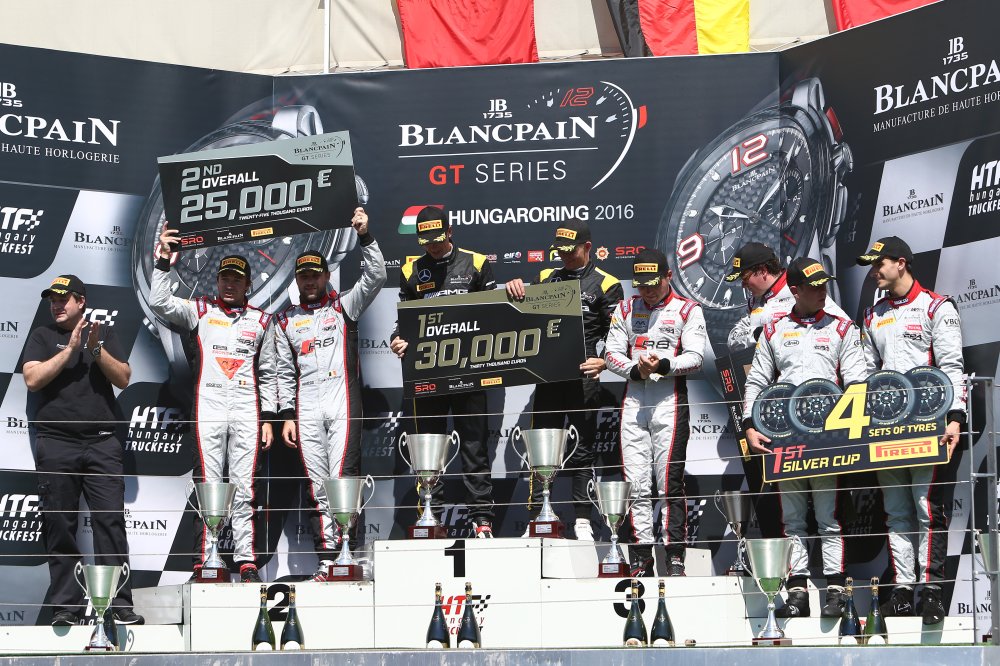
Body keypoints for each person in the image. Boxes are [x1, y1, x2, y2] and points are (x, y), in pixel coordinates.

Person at [152, 225, 278, 583]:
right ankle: (208, 560)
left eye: (236, 279)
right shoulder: (200, 310)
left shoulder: (262, 320)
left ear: (248, 284)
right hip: (208, 405)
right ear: (217, 281)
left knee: (244, 486)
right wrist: (162, 261)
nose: (229, 284)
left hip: (247, 410)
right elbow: (160, 302)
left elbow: (269, 372)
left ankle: (246, 560)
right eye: (224, 278)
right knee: (208, 484)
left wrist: (269, 417)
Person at [741, 258, 865, 618]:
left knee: (829, 516)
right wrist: (749, 425)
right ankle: (797, 591)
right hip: (785, 438)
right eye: (814, 286)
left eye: (824, 284)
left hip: (829, 438)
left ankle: (836, 591)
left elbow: (857, 383)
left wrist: (847, 431)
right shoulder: (774, 330)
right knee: (792, 519)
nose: (822, 291)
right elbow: (756, 381)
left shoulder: (842, 328)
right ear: (795, 290)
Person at [272, 208, 386, 580]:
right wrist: (286, 414)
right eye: (303, 275)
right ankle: (327, 558)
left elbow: (377, 276)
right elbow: (282, 372)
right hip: (306, 408)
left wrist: (365, 237)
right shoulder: (285, 320)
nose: (309, 281)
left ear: (326, 276)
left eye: (315, 275)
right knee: (316, 483)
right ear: (297, 279)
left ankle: (349, 555)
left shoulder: (344, 307)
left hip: (342, 404)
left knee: (342, 479)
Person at [857, 236, 966, 625]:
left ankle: (932, 591)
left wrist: (956, 417)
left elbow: (952, 365)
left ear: (900, 263)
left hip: (929, 425)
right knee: (896, 511)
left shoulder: (937, 306)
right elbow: (865, 373)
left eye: (879, 264)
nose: (874, 271)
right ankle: (902, 591)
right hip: (886, 427)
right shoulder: (872, 314)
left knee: (926, 508)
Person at [22, 275, 143, 626]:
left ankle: (119, 604)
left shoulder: (102, 333)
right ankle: (67, 608)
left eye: (63, 299)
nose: (57, 305)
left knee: (110, 522)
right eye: (53, 300)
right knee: (59, 524)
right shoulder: (42, 336)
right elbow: (32, 379)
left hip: (102, 442)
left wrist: (94, 350)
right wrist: (70, 350)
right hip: (56, 443)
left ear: (81, 301)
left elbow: (123, 378)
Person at [506, 218, 623, 539]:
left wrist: (605, 362)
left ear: (587, 247)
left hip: (583, 377)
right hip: (548, 376)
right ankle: (537, 516)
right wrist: (514, 290)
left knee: (582, 447)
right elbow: (519, 317)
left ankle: (582, 517)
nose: (565, 256)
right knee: (542, 446)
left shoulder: (607, 283)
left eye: (571, 250)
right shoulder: (545, 277)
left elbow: (618, 337)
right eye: (560, 251)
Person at [723, 243, 850, 540]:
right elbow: (734, 340)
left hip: (819, 417)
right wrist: (757, 334)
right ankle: (790, 563)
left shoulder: (802, 293)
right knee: (787, 512)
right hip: (778, 418)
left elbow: (844, 329)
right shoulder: (759, 300)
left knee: (827, 510)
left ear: (762, 271)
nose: (743, 284)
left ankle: (829, 565)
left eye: (745, 277)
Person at [389, 205, 496, 537]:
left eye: (437, 239)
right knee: (429, 448)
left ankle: (482, 519)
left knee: (474, 447)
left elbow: (497, 316)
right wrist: (396, 339)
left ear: (449, 232)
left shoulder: (477, 263)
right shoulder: (411, 270)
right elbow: (403, 322)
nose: (433, 246)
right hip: (428, 375)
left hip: (470, 371)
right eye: (426, 241)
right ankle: (430, 516)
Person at [605, 249, 707, 576]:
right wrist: (636, 371)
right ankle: (641, 554)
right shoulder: (625, 308)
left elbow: (695, 357)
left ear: (668, 276)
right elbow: (610, 354)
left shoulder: (688, 309)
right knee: (635, 483)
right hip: (634, 402)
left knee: (669, 483)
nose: (647, 290)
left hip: (670, 402)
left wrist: (662, 365)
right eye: (641, 284)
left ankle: (674, 555)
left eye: (653, 283)